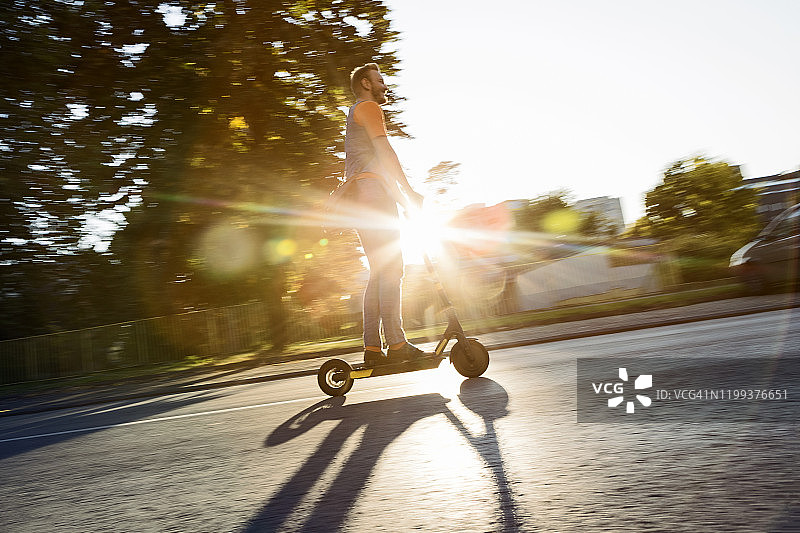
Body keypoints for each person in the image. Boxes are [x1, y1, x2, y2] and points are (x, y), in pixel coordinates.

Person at [345, 62, 427, 365]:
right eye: (380, 80)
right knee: (392, 269)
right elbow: (386, 154)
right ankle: (396, 345)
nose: (385, 86)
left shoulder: (356, 112)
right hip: (372, 196)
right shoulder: (368, 107)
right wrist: (410, 192)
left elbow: (376, 168)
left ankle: (373, 349)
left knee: (380, 272)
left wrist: (404, 200)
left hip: (362, 197)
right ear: (366, 84)